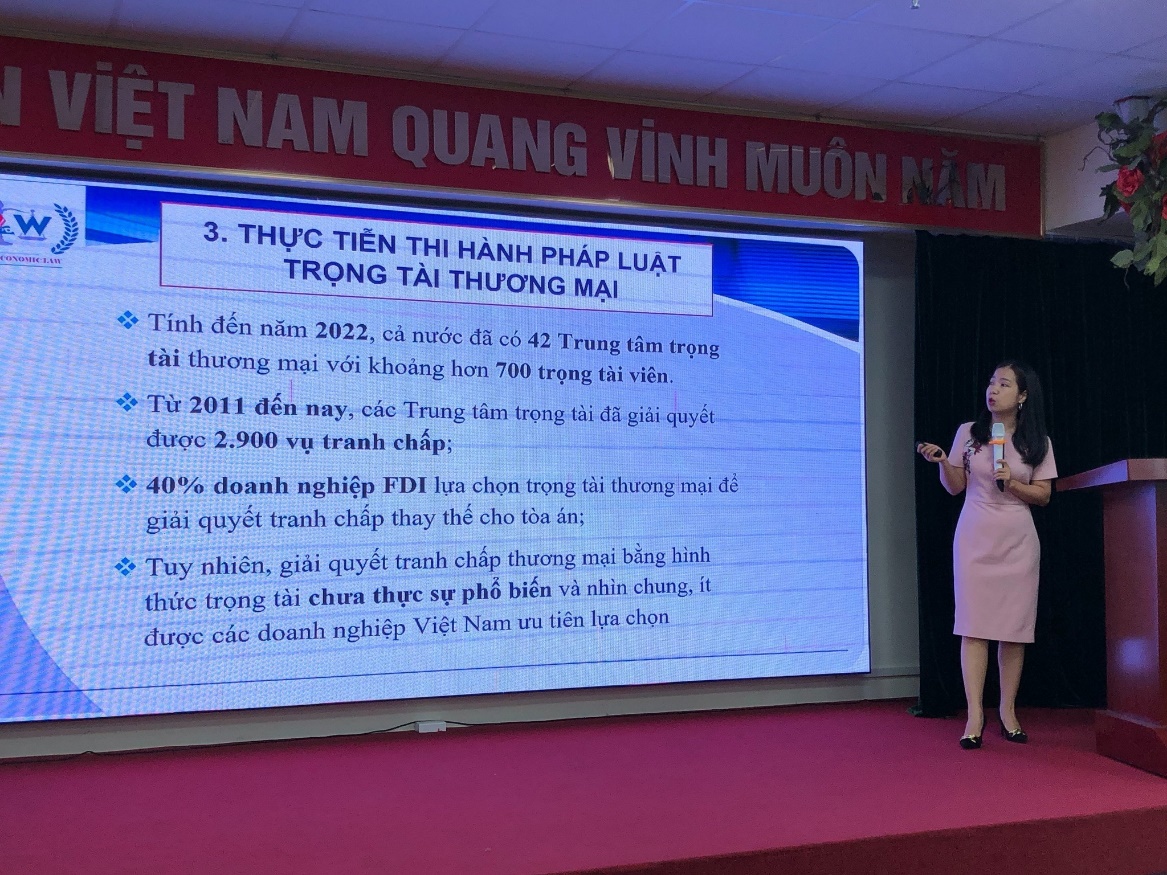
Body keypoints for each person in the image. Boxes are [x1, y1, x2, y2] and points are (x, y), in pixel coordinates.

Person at [917, 360, 1057, 749]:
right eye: (992, 382)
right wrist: (943, 462)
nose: (993, 390)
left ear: (1023, 396)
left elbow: (1044, 495)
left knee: (1013, 630)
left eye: (1004, 384)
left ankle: (1008, 711)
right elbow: (955, 486)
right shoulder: (969, 433)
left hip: (1017, 540)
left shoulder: (1038, 442)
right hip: (975, 536)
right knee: (974, 627)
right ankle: (975, 715)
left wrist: (1012, 483)